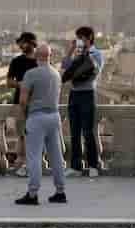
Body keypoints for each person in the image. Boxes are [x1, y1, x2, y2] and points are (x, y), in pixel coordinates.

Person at [14, 44, 67, 205]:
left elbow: (22, 101)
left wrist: (26, 110)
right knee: (56, 156)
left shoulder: (31, 74)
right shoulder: (56, 74)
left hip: (37, 117)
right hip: (54, 116)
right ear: (49, 56)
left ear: (37, 56)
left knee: (34, 156)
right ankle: (60, 191)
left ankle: (33, 193)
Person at [61, 26, 104, 178]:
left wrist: (85, 56)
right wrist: (71, 50)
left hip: (87, 93)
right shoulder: (76, 54)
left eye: (81, 37)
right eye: (77, 38)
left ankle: (93, 165)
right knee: (74, 132)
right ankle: (76, 166)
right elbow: (65, 67)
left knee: (88, 131)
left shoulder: (96, 53)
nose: (79, 40)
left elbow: (95, 71)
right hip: (74, 94)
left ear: (89, 38)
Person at [7, 32, 39, 177]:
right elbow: (9, 82)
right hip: (20, 103)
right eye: (19, 43)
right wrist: (22, 85)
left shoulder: (41, 61)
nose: (20, 45)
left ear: (31, 43)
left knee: (34, 135)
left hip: (37, 103)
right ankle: (21, 164)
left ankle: (29, 165)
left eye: (23, 42)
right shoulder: (16, 61)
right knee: (21, 134)